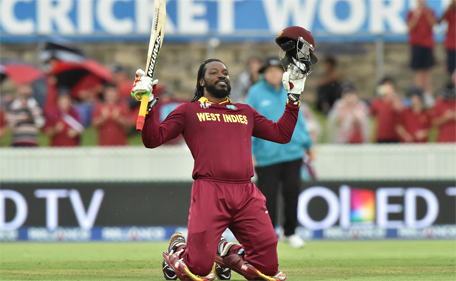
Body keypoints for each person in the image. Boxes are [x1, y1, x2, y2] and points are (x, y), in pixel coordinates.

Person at [131, 26, 316, 281]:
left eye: (225, 73)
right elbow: (153, 139)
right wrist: (149, 107)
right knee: (197, 271)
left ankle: (226, 251)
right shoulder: (189, 111)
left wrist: (293, 98)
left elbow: (281, 134)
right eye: (214, 72)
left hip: (246, 192)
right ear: (201, 81)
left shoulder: (244, 111)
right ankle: (179, 250)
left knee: (269, 269)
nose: (222, 76)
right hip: (210, 192)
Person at [246, 56, 314, 248]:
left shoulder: (290, 89)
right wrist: (249, 151)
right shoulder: (255, 93)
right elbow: (248, 122)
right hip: (266, 156)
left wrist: (309, 144)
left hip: (292, 152)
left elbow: (299, 119)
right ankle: (269, 235)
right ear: (264, 74)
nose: (274, 74)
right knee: (267, 198)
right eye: (270, 71)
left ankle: (291, 232)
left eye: (277, 70)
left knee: (292, 193)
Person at [406, 0, 437, 106]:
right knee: (418, 71)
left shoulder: (430, 11)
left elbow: (433, 25)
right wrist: (416, 15)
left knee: (427, 71)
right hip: (417, 45)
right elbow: (410, 28)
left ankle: (428, 95)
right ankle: (417, 94)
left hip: (427, 45)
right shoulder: (412, 12)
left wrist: (427, 13)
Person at [370, 77, 403, 143]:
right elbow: (371, 114)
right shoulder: (377, 102)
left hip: (394, 137)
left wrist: (392, 96)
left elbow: (401, 110)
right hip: (381, 137)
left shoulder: (397, 100)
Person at [439, 0, 456, 77]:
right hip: (451, 45)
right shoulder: (450, 11)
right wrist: (449, 9)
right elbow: (439, 21)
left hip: (451, 44)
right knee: (451, 69)